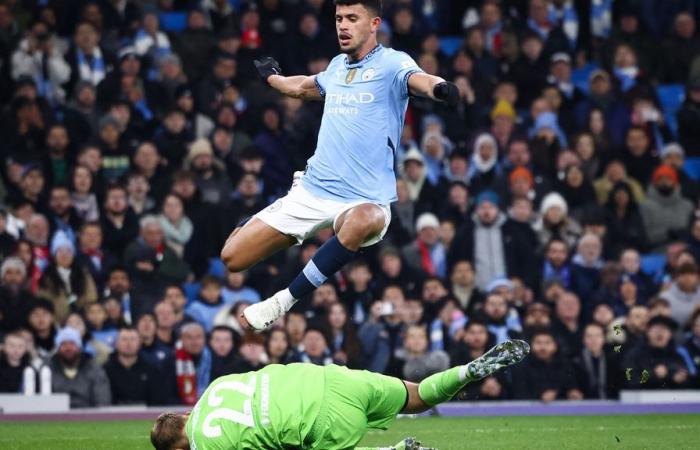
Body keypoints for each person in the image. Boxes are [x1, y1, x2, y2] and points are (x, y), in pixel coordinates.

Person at [219, 0, 460, 331]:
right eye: (338, 19)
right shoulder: (336, 67)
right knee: (232, 258)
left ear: (373, 23)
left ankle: (282, 301)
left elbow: (421, 79)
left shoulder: (393, 64)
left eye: (352, 18)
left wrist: (440, 89)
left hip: (365, 198)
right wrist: (273, 79)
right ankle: (276, 218)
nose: (342, 26)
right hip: (314, 190)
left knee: (365, 219)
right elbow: (302, 87)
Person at [149, 339, 529, 450]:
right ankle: (468, 370)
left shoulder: (206, 445)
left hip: (321, 419)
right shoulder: (214, 388)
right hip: (333, 378)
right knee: (417, 397)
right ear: (183, 414)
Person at [50, 326, 111, 408]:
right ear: (58, 348)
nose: (68, 348)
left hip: (88, 416)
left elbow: (102, 399)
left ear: (79, 347)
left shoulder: (93, 368)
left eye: (72, 343)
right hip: (55, 416)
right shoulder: (48, 369)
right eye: (63, 344)